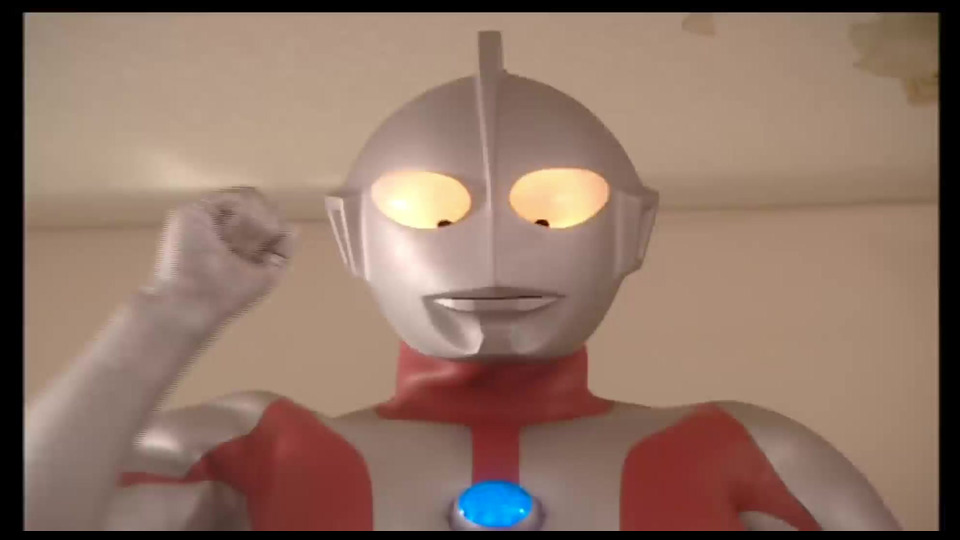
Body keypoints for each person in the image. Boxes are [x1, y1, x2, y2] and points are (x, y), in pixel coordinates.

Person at [24, 31, 901, 531]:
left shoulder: (746, 448)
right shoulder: (256, 445)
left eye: (554, 207)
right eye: (431, 209)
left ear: (632, 230)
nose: (492, 246)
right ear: (353, 235)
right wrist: (167, 316)